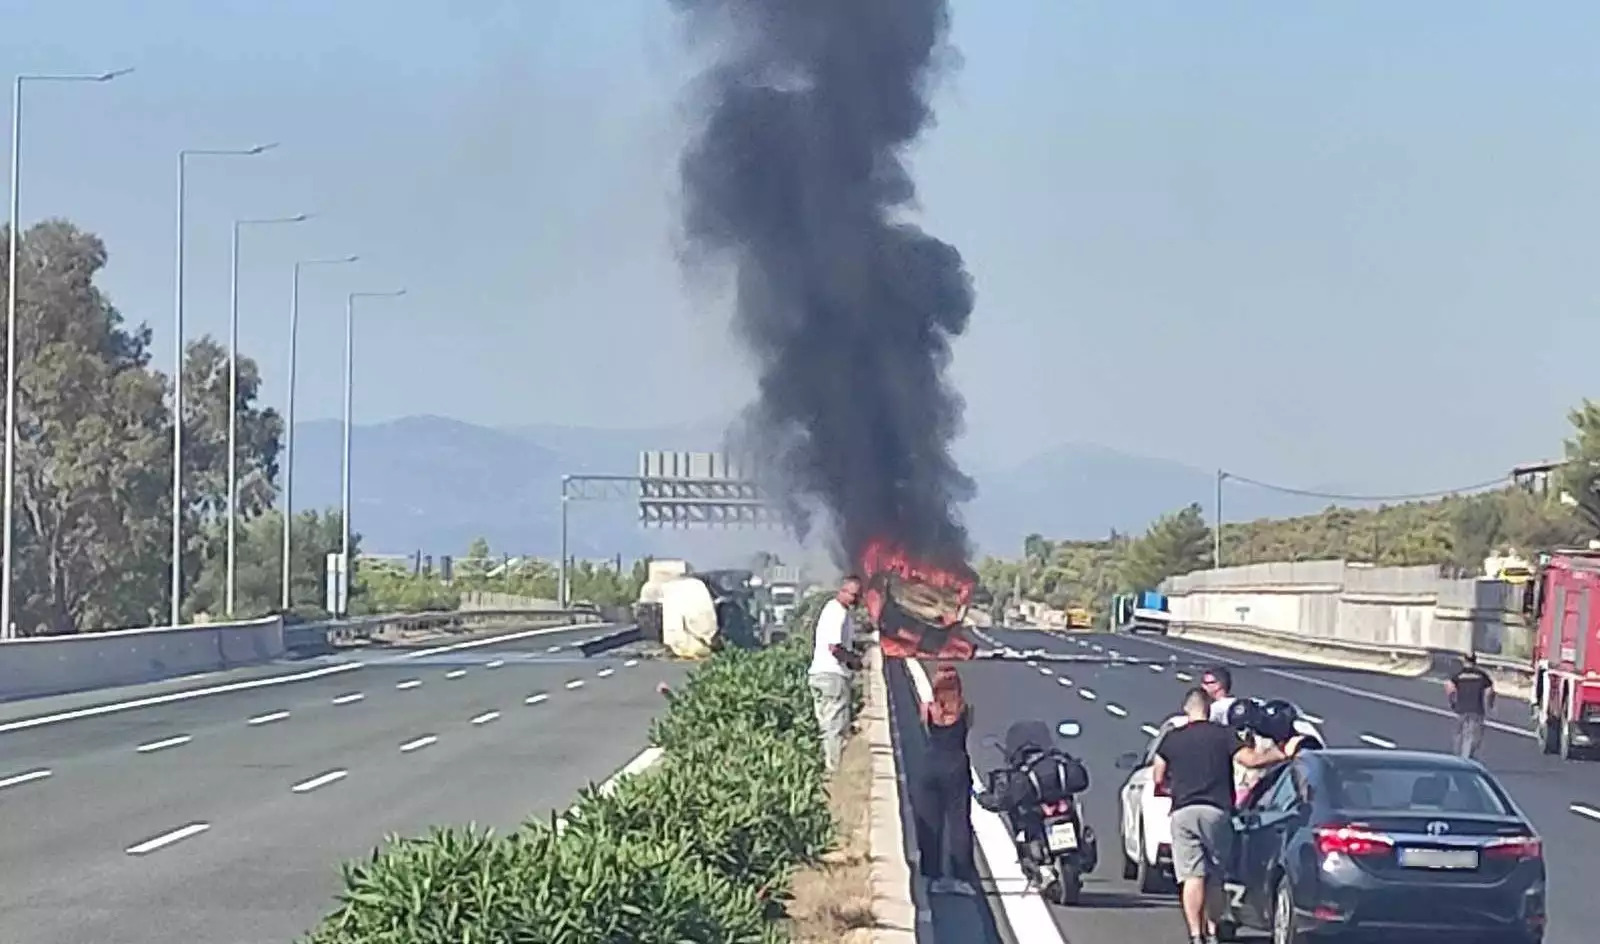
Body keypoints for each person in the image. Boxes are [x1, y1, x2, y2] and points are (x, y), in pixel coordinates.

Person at [1154, 687, 1286, 944]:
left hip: (1183, 812)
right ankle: (1213, 931)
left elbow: (1158, 776)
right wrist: (1281, 753)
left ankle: (1195, 934)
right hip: (1216, 812)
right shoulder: (1223, 735)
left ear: (1186, 709)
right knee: (1215, 876)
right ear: (1209, 710)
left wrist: (1173, 788)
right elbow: (1250, 760)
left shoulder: (1171, 738)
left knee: (1192, 876)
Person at [913, 665, 980, 896]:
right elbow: (966, 729)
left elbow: (926, 726)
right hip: (956, 767)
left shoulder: (928, 709)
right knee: (959, 822)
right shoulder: (965, 709)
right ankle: (961, 876)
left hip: (930, 766)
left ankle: (932, 875)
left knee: (930, 822)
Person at [809, 575, 864, 774]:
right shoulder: (838, 612)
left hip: (818, 674)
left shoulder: (830, 609)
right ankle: (834, 771)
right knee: (835, 726)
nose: (856, 600)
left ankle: (826, 766)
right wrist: (854, 661)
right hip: (832, 676)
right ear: (844, 591)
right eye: (854, 595)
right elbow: (834, 647)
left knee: (825, 725)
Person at [1445, 652, 1496, 760]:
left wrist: (1451, 702)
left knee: (1459, 735)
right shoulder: (1482, 675)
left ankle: (1458, 758)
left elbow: (1449, 688)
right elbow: (1489, 691)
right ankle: (1467, 757)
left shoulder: (1458, 675)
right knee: (1473, 736)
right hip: (1476, 710)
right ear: (1475, 661)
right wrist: (1490, 705)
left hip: (1460, 710)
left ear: (1465, 661)